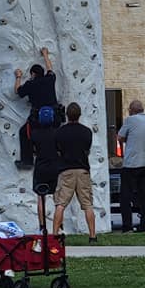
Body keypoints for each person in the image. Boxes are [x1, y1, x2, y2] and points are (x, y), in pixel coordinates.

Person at [52, 102, 97, 242]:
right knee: (87, 204)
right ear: (79, 115)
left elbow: (57, 150)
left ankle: (54, 235)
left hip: (66, 170)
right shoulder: (87, 131)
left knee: (60, 204)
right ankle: (92, 236)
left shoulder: (59, 132)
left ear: (67, 115)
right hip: (83, 169)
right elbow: (87, 149)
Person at [117, 100, 145, 233]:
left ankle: (127, 226)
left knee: (125, 196)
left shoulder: (130, 120)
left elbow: (120, 137)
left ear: (131, 110)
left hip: (132, 164)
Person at [14, 47, 58, 168]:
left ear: (33, 74)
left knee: (24, 133)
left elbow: (18, 91)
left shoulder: (30, 84)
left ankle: (27, 161)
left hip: (38, 118)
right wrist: (45, 55)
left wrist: (18, 77)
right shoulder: (50, 79)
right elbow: (50, 68)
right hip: (55, 116)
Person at [30, 106, 61, 231]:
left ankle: (42, 226)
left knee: (40, 197)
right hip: (55, 166)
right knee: (57, 198)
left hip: (41, 166)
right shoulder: (57, 133)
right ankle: (59, 225)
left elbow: (33, 150)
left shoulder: (35, 133)